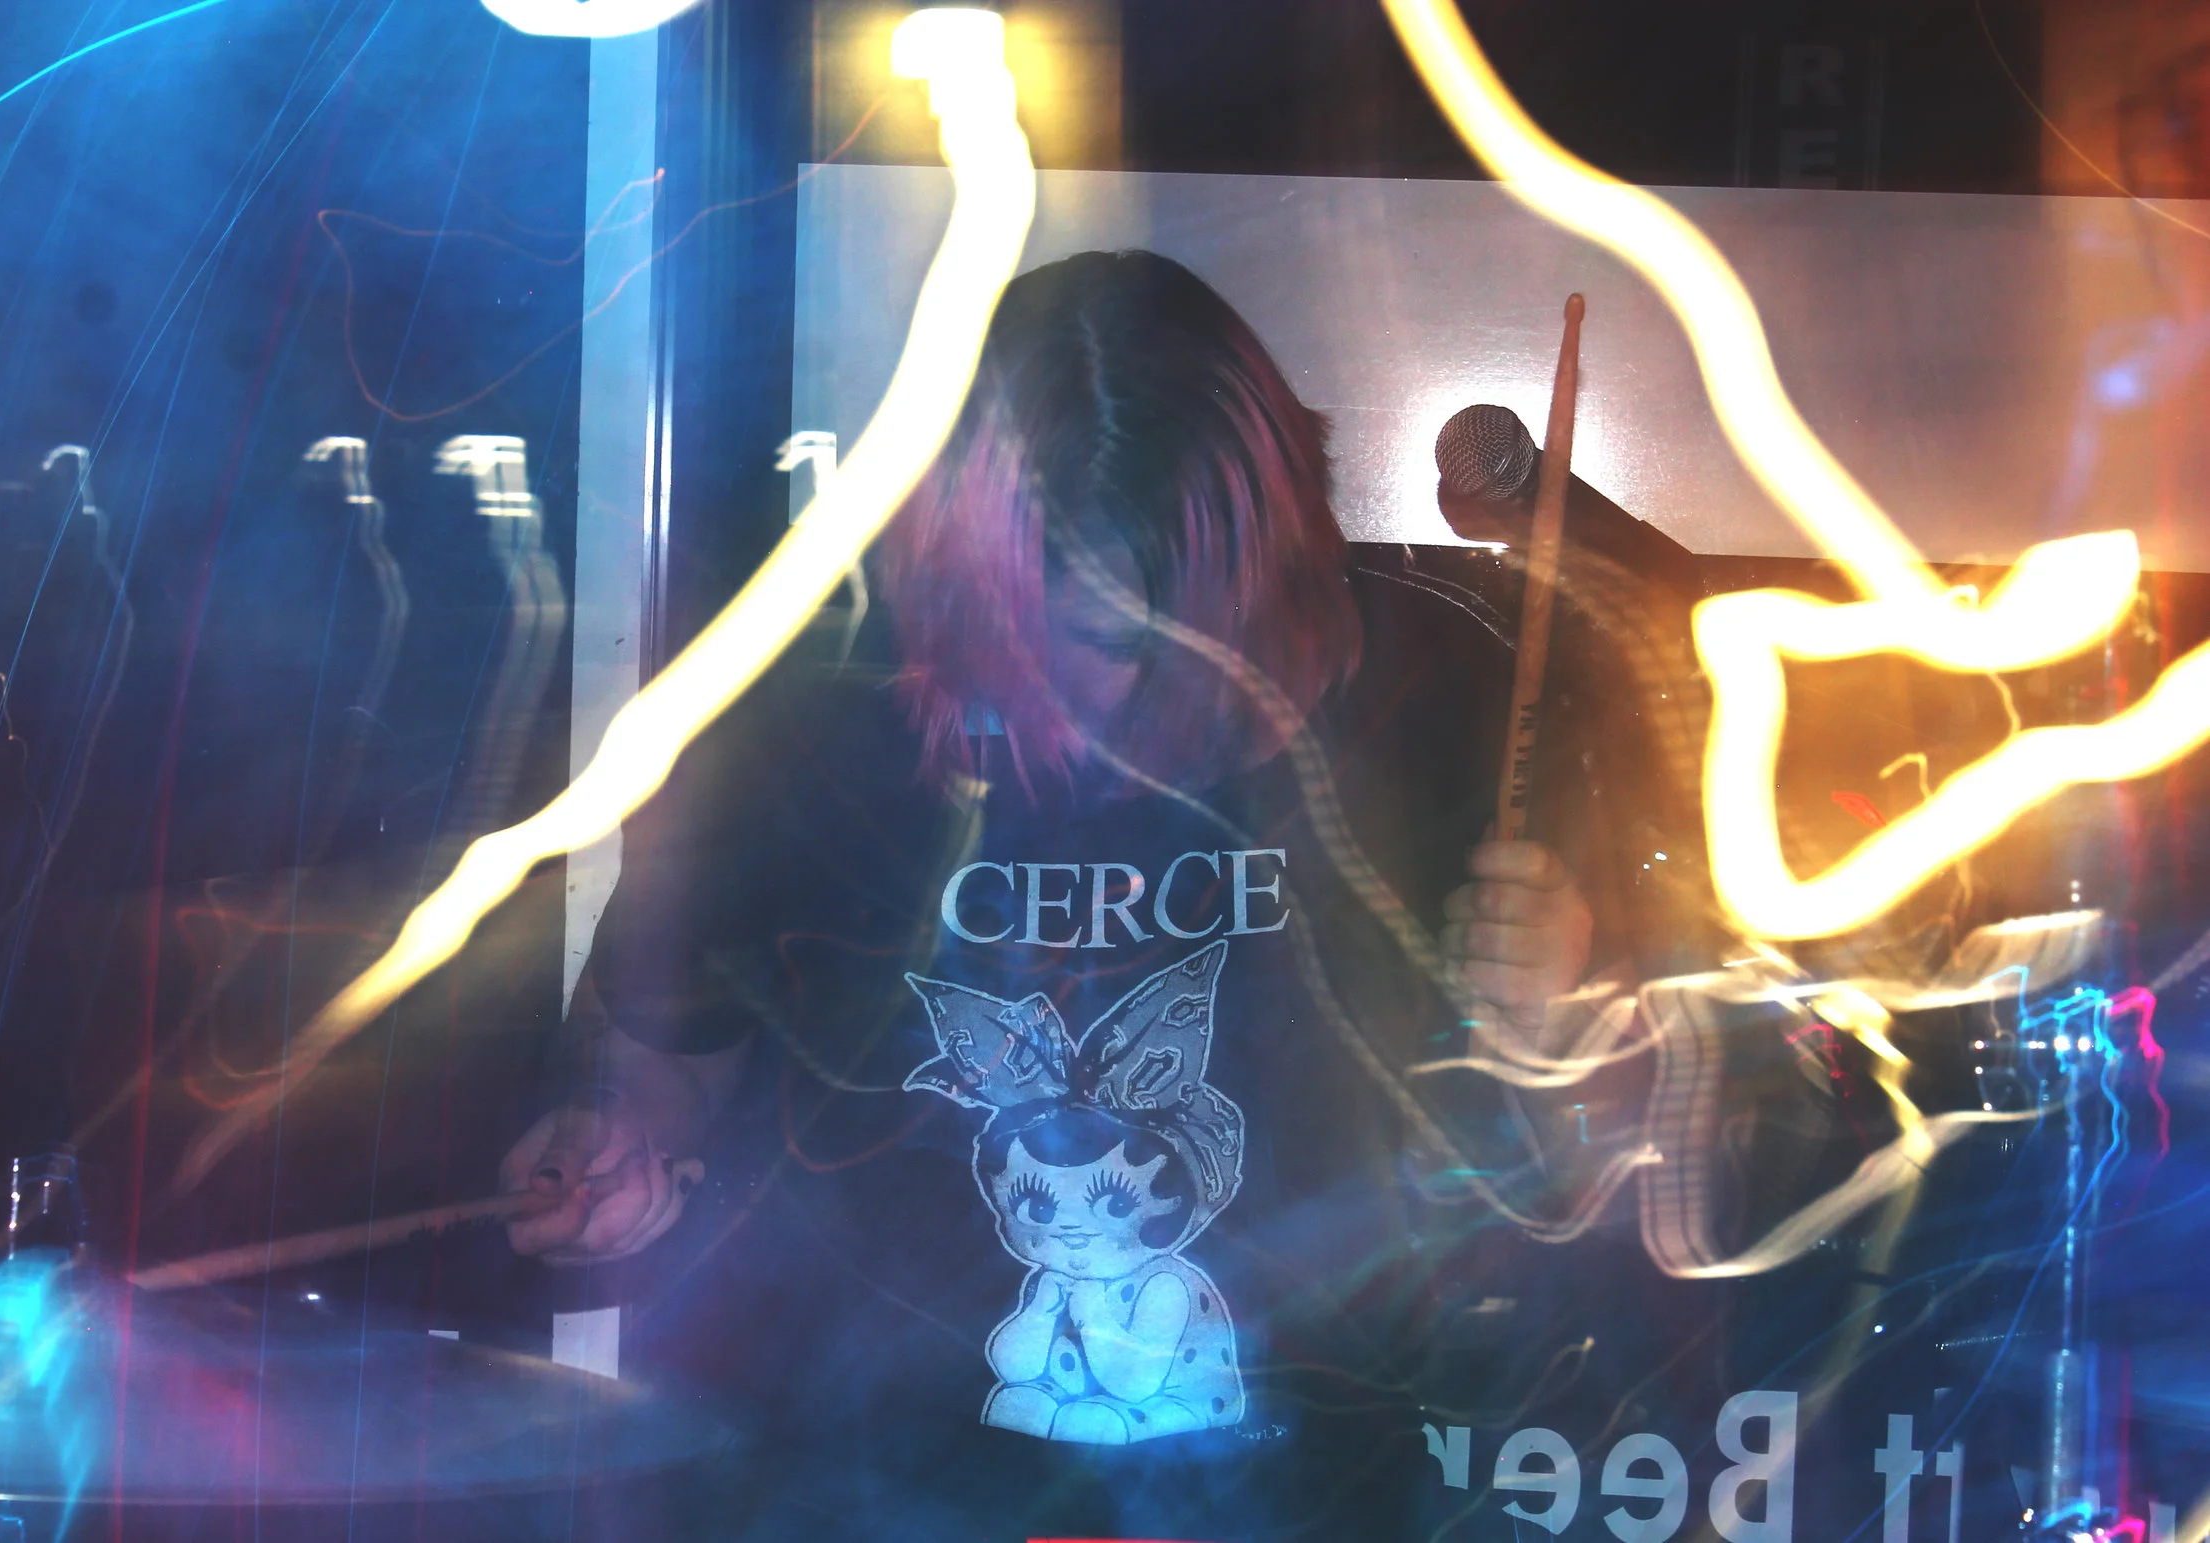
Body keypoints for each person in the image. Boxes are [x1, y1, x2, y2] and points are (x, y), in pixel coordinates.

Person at [500, 250, 1606, 1537]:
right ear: (973, 576)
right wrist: (606, 1134)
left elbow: (1546, 1168)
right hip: (868, 1484)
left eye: (1196, 636)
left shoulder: (1426, 701)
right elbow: (656, 1051)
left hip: (1306, 1490)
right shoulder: (808, 727)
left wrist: (1561, 1013)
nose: (1147, 693)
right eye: (1087, 638)